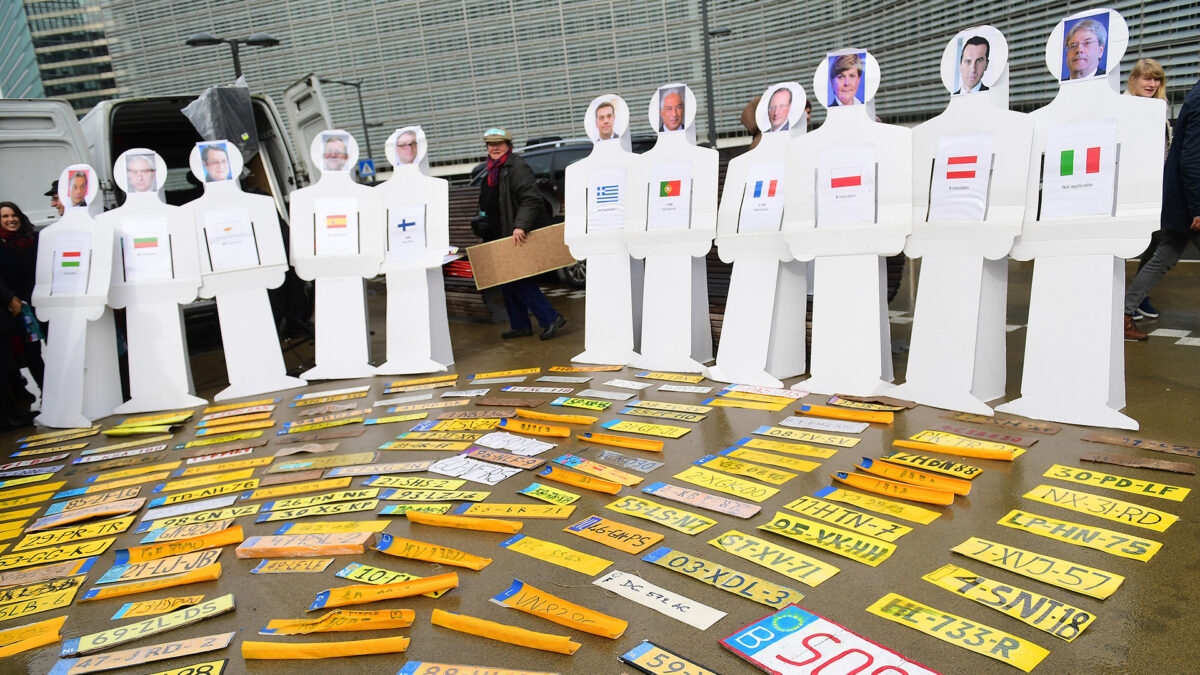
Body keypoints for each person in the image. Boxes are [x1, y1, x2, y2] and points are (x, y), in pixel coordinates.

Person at [1124, 72, 1200, 341]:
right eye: (1146, 79)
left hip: (1178, 196)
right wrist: (1197, 207)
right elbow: (1191, 159)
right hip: (1184, 198)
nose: (1152, 85)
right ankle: (1126, 310)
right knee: (1161, 255)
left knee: (1164, 256)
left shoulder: (1182, 101)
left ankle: (1126, 310)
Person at [475, 127, 566, 340]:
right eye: (491, 144)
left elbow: (531, 199)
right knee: (506, 279)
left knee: (517, 280)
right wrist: (481, 217)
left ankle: (551, 317)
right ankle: (520, 324)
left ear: (508, 146)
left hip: (515, 233)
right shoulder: (493, 169)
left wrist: (520, 225)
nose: (495, 147)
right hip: (499, 234)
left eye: (500, 144)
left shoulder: (516, 166)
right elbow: (489, 201)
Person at [1126, 58, 1172, 320]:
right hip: (1133, 188)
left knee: (1155, 241)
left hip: (1157, 187)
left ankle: (1138, 297)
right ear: (1134, 80)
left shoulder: (1159, 108)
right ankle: (1124, 302)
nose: (1152, 84)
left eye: (1157, 79)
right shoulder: (1127, 108)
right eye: (1147, 78)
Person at [0, 201, 42, 429]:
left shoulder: (33, 239)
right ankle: (13, 410)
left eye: (13, 214)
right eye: (4, 216)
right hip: (13, 309)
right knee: (16, 361)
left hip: (36, 304)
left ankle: (49, 395)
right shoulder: (2, 243)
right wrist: (10, 299)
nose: (10, 219)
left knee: (37, 355)